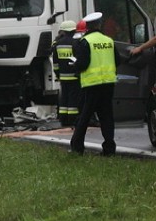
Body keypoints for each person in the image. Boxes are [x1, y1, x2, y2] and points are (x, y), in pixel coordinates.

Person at [69, 12, 119, 156]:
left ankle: (77, 147)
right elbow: (118, 60)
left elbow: (83, 64)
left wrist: (75, 65)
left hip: (91, 84)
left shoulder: (84, 42)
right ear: (99, 24)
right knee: (107, 116)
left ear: (87, 26)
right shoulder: (109, 40)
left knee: (85, 116)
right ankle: (109, 148)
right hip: (108, 84)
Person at [51, 20, 81, 127]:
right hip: (74, 76)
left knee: (64, 97)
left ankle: (63, 119)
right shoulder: (76, 43)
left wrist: (58, 74)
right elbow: (78, 60)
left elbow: (55, 63)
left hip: (63, 76)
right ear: (73, 31)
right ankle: (73, 119)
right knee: (73, 97)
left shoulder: (57, 44)